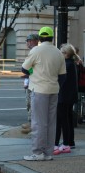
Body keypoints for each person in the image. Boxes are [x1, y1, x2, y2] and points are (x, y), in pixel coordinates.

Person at [22, 26, 66, 161]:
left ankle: (37, 152)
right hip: (54, 90)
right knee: (51, 123)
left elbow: (24, 69)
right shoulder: (58, 52)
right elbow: (63, 76)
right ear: (52, 38)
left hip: (39, 90)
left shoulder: (36, 50)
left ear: (40, 38)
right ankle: (48, 152)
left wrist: (33, 73)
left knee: (38, 123)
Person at [54, 43, 79, 155]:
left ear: (66, 53)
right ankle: (69, 141)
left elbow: (59, 78)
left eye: (61, 52)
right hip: (70, 96)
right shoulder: (72, 63)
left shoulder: (66, 64)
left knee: (62, 120)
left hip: (63, 96)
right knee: (67, 119)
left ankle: (64, 143)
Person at [21, 34, 39, 134]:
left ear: (36, 41)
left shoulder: (37, 52)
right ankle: (30, 122)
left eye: (30, 40)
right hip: (29, 82)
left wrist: (29, 72)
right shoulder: (31, 52)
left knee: (32, 104)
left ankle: (32, 124)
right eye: (27, 41)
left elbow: (35, 68)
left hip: (35, 83)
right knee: (28, 103)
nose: (28, 43)